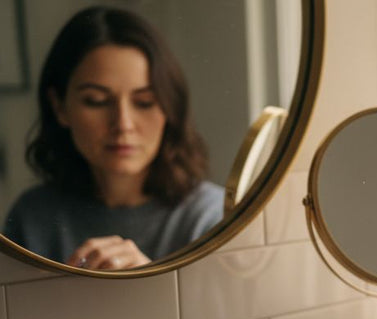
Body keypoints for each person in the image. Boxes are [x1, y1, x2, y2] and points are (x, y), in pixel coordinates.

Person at [2, 6, 223, 270]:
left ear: (169, 108)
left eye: (144, 102)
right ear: (60, 106)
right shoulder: (32, 217)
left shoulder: (210, 217)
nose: (123, 124)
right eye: (96, 101)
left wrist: (151, 284)